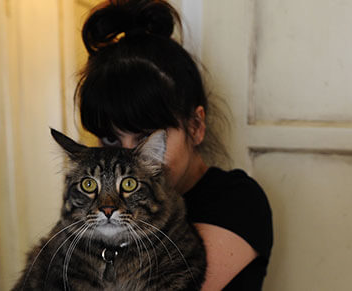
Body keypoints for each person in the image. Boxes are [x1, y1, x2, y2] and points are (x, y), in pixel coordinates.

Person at [76, 0, 274, 290]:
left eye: (146, 137)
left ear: (195, 126)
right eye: (110, 139)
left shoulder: (237, 201)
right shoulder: (102, 208)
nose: (130, 161)